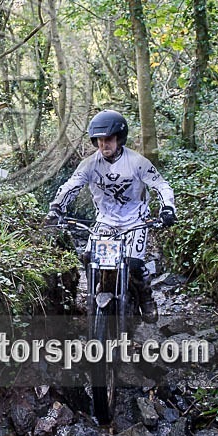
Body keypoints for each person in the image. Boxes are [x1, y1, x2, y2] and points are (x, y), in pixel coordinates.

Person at [44, 110, 177, 322]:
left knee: (134, 263)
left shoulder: (137, 162)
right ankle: (95, 293)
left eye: (109, 140)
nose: (104, 145)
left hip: (135, 221)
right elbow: (72, 185)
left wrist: (168, 208)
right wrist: (56, 208)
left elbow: (160, 184)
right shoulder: (89, 164)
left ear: (119, 139)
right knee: (89, 258)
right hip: (105, 222)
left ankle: (145, 297)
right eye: (100, 140)